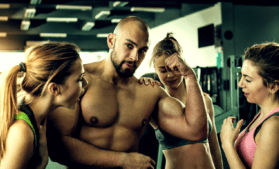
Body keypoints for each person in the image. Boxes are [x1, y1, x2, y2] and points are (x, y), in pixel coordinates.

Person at [47, 16, 208, 169]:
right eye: (129, 46)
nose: (134, 57)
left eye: (142, 50)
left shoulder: (149, 92)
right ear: (111, 41)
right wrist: (123, 160)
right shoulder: (80, 81)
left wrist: (190, 76)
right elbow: (58, 146)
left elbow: (196, 131)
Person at [0, 42, 87, 169]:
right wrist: (41, 164)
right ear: (54, 89)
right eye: (79, 79)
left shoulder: (31, 109)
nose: (85, 82)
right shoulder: (21, 132)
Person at [139, 33, 223, 169]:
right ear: (155, 69)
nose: (170, 75)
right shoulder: (155, 102)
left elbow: (213, 147)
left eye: (175, 69)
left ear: (183, 64)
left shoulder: (205, 100)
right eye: (163, 70)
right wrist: (141, 89)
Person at [220, 42, 279, 168]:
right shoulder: (262, 113)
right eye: (241, 77)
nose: (240, 84)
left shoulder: (274, 125)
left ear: (273, 86)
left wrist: (227, 144)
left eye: (248, 79)